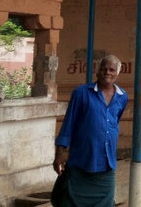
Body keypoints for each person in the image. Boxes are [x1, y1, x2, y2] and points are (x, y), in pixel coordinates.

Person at [53, 55, 128, 207]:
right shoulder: (81, 93)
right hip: (81, 162)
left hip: (106, 165)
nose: (107, 72)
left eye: (112, 70)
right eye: (103, 69)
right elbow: (68, 124)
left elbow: (114, 122)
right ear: (97, 71)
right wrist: (59, 154)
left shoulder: (122, 97)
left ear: (117, 73)